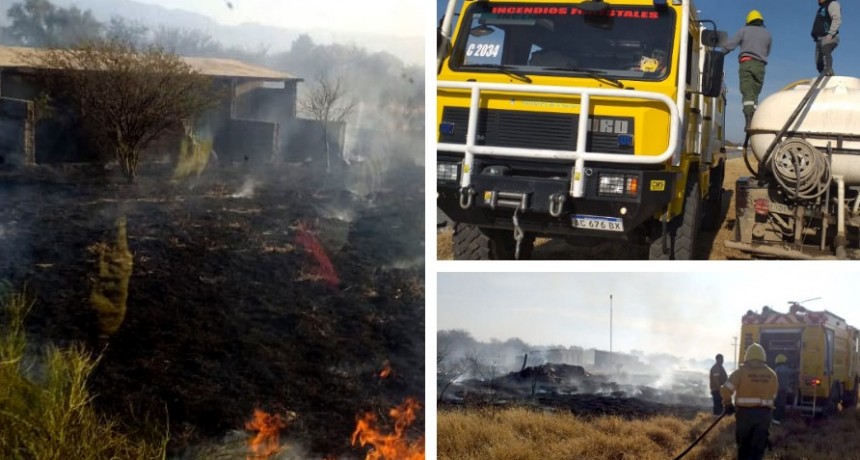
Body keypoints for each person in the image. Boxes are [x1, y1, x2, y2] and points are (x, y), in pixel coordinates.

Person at [720, 343, 778, 460]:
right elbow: (774, 395)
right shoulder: (772, 374)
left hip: (744, 415)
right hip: (764, 416)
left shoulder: (740, 372)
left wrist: (728, 404)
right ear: (763, 357)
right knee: (757, 450)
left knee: (743, 448)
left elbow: (725, 389)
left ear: (747, 357)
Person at [723, 10, 772, 130]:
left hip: (747, 64)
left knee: (748, 93)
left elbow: (730, 45)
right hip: (760, 66)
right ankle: (754, 118)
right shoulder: (767, 34)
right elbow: (767, 52)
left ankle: (749, 120)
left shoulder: (744, 30)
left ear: (748, 21)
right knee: (755, 94)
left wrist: (720, 53)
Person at [812, 0, 841, 76]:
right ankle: (823, 75)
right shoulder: (821, 9)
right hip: (819, 39)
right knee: (819, 62)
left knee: (825, 49)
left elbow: (836, 19)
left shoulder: (832, 4)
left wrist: (830, 34)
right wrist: (814, 35)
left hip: (829, 36)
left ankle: (828, 70)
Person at [773, 354, 795, 424]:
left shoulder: (776, 369)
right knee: (781, 405)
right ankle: (777, 419)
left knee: (776, 403)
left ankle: (773, 418)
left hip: (776, 390)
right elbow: (793, 372)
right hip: (783, 390)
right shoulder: (786, 369)